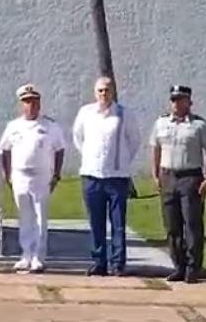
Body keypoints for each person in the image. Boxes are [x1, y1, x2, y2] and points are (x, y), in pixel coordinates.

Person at [72, 76, 140, 276]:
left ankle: (118, 263)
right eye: (100, 90)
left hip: (116, 177)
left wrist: (122, 161)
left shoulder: (123, 114)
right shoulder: (86, 113)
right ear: (95, 92)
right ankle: (99, 262)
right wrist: (90, 157)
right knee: (96, 222)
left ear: (113, 92)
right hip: (91, 176)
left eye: (107, 90)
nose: (104, 94)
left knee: (118, 223)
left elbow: (134, 140)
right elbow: (78, 137)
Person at [149, 85, 206, 283]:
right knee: (172, 224)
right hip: (168, 176)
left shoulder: (200, 125)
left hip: (191, 177)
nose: (176, 103)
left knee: (192, 223)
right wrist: (155, 175)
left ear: (189, 102)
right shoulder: (161, 123)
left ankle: (192, 267)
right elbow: (155, 149)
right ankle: (178, 265)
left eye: (181, 99)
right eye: (173, 100)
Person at [0, 84, 65, 273]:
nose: (31, 106)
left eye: (34, 102)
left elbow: (60, 150)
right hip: (20, 176)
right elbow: (5, 149)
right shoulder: (13, 126)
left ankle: (38, 256)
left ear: (40, 104)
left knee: (40, 216)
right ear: (21, 105)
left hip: (41, 177)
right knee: (24, 216)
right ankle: (26, 253)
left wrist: (57, 175)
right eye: (27, 102)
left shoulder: (50, 126)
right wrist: (7, 174)